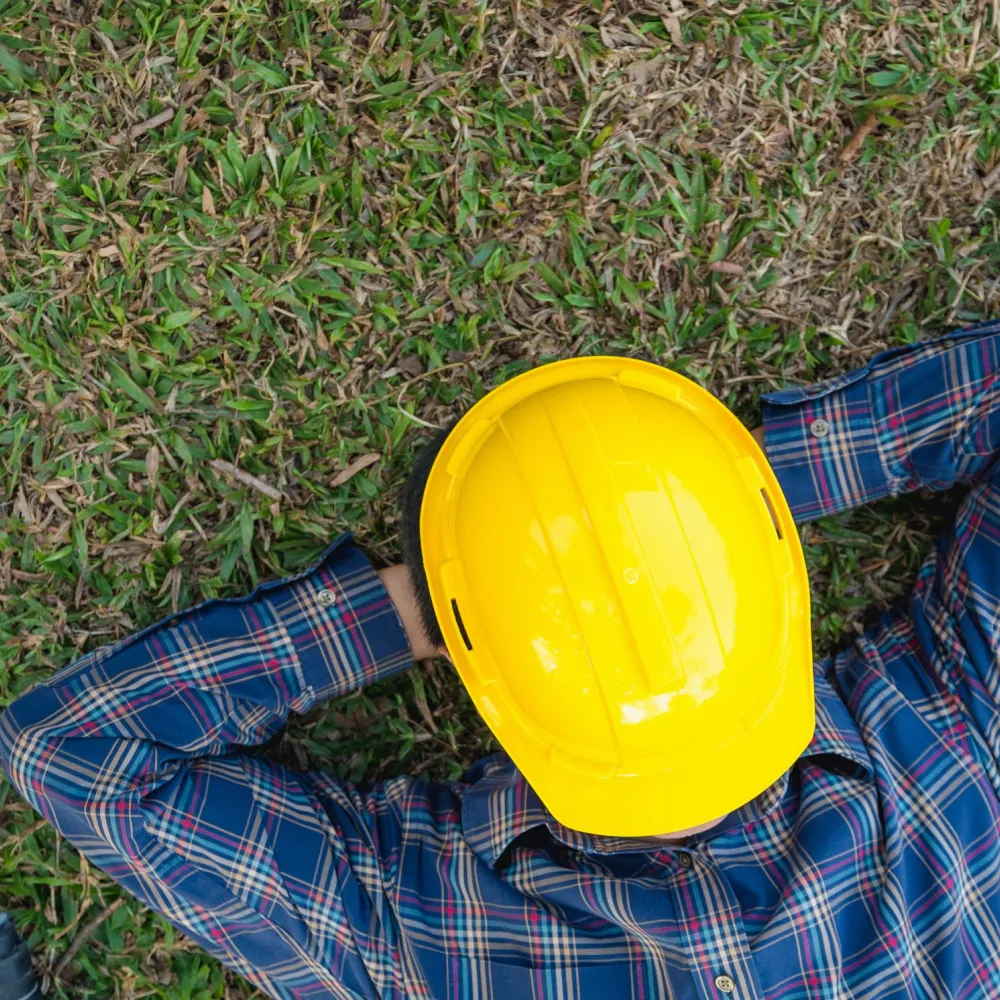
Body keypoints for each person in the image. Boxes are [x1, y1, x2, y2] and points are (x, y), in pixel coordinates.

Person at [5, 326, 1000, 999]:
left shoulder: (428, 927)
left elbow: (77, 751)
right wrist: (713, 509)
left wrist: (430, 606)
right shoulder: (960, 747)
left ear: (481, 683)